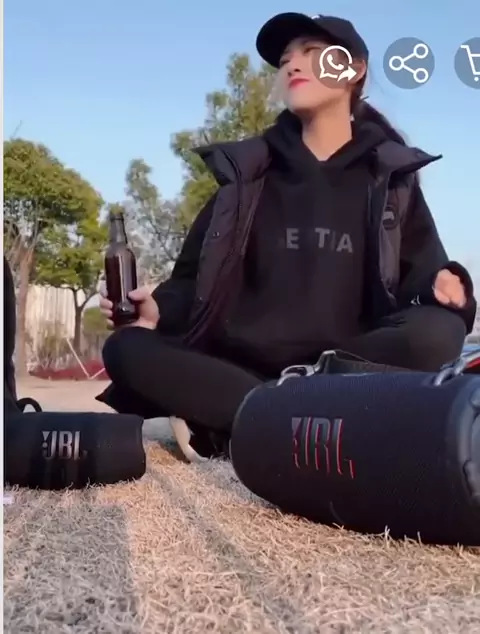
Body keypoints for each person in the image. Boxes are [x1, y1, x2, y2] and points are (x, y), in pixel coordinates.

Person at [98, 13, 476, 461]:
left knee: (438, 332)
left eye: (312, 53)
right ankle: (301, 418)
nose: (293, 65)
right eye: (285, 60)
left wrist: (446, 286)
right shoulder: (248, 173)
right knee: (125, 348)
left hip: (343, 367)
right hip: (241, 367)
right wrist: (157, 306)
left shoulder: (389, 177)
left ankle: (253, 420)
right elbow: (191, 280)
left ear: (354, 69)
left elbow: (422, 278)